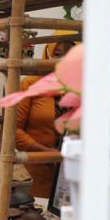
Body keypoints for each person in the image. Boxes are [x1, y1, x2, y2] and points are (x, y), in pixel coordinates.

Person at [16, 30, 74, 198]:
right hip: (35, 170)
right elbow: (14, 131)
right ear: (47, 53)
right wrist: (47, 154)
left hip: (71, 170)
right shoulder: (30, 84)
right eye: (57, 54)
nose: (63, 60)